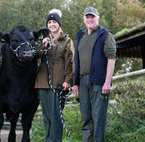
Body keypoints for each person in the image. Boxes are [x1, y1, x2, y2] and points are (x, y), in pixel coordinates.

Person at [73, 7, 116, 142]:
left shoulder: (105, 34)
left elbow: (111, 59)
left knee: (98, 118)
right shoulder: (80, 35)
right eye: (88, 17)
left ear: (98, 18)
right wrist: (75, 82)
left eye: (93, 17)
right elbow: (77, 60)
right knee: (86, 118)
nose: (90, 19)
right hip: (83, 81)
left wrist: (107, 81)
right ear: (84, 19)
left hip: (99, 82)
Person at [34, 9, 75, 142]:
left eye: (55, 22)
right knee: (46, 117)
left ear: (59, 24)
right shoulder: (43, 41)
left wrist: (68, 80)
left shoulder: (67, 41)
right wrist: (43, 45)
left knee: (56, 117)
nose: (52, 24)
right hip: (42, 83)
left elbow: (71, 61)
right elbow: (35, 56)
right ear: (47, 25)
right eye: (50, 22)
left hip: (58, 83)